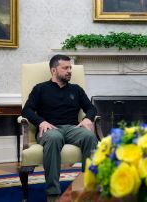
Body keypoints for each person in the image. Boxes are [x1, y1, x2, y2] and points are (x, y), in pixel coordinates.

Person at [22, 54, 98, 199]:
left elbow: (91, 108)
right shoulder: (40, 89)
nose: (69, 70)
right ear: (53, 70)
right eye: (65, 68)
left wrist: (88, 118)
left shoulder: (76, 89)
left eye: (70, 67)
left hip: (72, 129)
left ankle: (88, 186)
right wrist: (41, 122)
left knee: (89, 136)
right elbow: (27, 110)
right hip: (50, 129)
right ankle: (53, 192)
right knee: (54, 138)